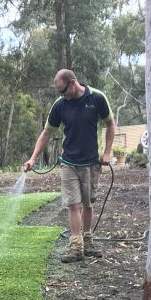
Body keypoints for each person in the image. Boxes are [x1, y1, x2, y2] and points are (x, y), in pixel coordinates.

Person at [24, 69, 115, 262]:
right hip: (69, 163)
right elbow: (47, 133)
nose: (61, 95)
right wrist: (33, 158)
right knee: (73, 204)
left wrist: (107, 152)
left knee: (87, 203)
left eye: (62, 90)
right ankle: (76, 247)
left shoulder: (97, 98)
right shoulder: (60, 105)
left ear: (72, 83)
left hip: (91, 162)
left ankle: (88, 241)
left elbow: (110, 123)